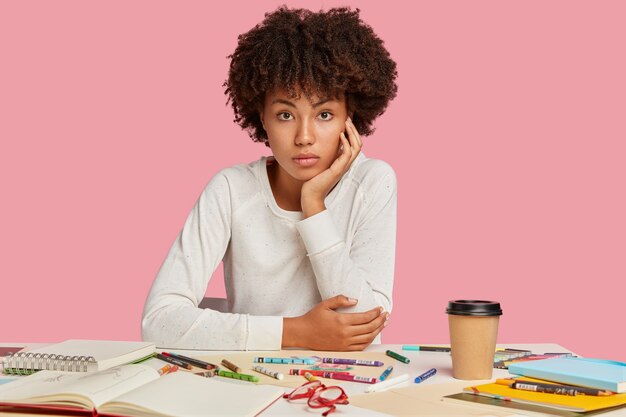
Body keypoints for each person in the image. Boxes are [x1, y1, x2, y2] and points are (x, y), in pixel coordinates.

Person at [142, 6, 398, 351]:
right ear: (261, 116)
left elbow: (366, 325)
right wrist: (296, 332)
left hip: (344, 385)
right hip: (251, 383)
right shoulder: (232, 189)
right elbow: (158, 320)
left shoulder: (371, 182)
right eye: (285, 114)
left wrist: (315, 207)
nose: (304, 136)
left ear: (348, 117)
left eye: (324, 114)